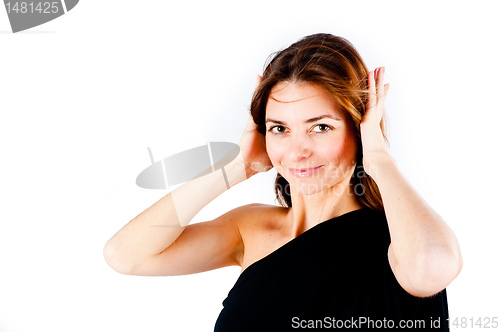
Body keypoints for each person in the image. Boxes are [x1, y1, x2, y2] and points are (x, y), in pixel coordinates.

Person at [103, 33, 463, 331]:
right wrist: (238, 166)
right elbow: (127, 256)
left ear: (358, 130)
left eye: (320, 127)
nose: (297, 151)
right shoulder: (249, 228)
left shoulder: (400, 239)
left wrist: (380, 159)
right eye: (280, 129)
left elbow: (433, 267)